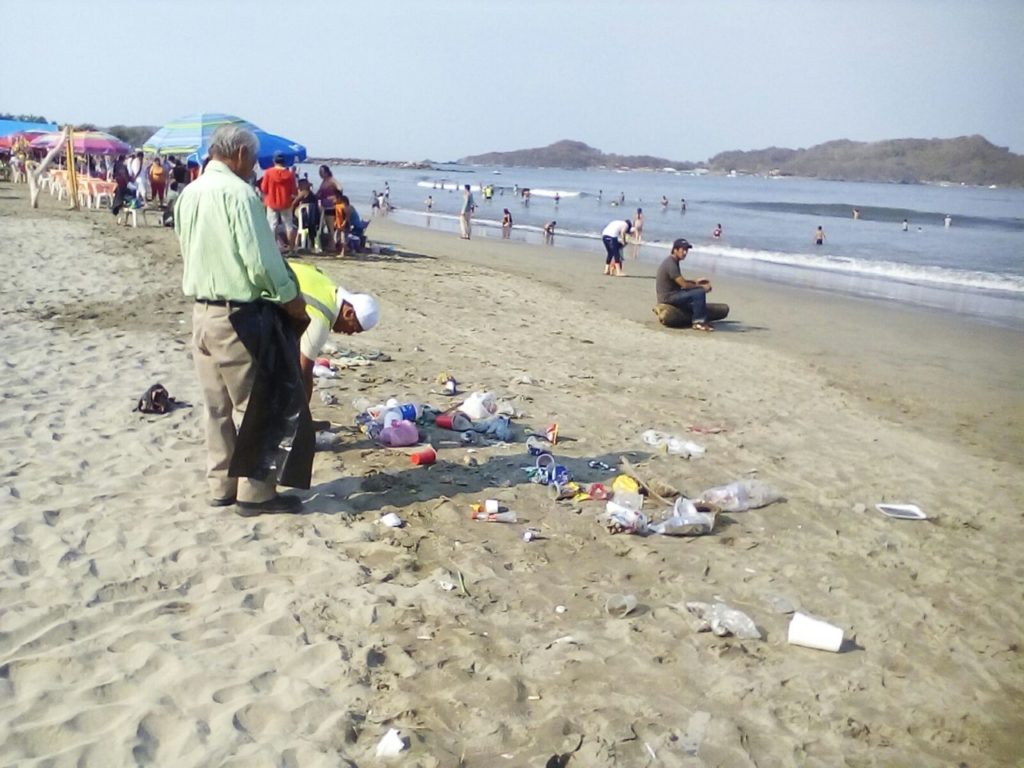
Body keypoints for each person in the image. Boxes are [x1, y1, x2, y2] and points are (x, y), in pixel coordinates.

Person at [175, 124, 310, 514]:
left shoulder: (190, 193)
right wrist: (290, 298)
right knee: (254, 406)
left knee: (215, 408)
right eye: (251, 159)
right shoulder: (239, 194)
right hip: (236, 314)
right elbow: (260, 262)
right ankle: (255, 493)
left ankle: (221, 484)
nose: (254, 166)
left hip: (201, 311)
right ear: (238, 155)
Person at [287, 260, 380, 401]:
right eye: (353, 328)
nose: (349, 334)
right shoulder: (320, 322)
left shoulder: (324, 280)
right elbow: (304, 372)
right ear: (349, 313)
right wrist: (302, 417)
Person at [656, 238, 714, 332]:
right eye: (683, 250)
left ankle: (701, 319)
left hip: (672, 294)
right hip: (668, 297)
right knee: (699, 293)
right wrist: (702, 287)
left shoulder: (673, 261)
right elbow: (684, 285)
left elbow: (681, 282)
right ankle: (698, 322)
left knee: (696, 292)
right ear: (675, 250)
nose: (685, 253)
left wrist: (696, 282)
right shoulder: (671, 264)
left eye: (686, 250)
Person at [260, 151, 298, 252]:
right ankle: (291, 249)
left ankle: (272, 249)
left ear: (274, 161)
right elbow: (294, 191)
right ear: (284, 162)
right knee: (289, 225)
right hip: (286, 202)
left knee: (272, 225)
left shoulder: (268, 173)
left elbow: (264, 188)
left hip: (272, 202)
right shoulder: (289, 175)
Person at [316, 165, 341, 250]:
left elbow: (340, 188)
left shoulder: (331, 180)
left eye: (321, 172)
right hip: (325, 207)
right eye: (319, 172)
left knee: (331, 228)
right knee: (328, 227)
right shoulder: (324, 181)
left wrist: (335, 197)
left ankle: (333, 245)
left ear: (326, 172)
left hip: (331, 207)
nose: (320, 174)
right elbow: (319, 193)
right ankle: (331, 244)